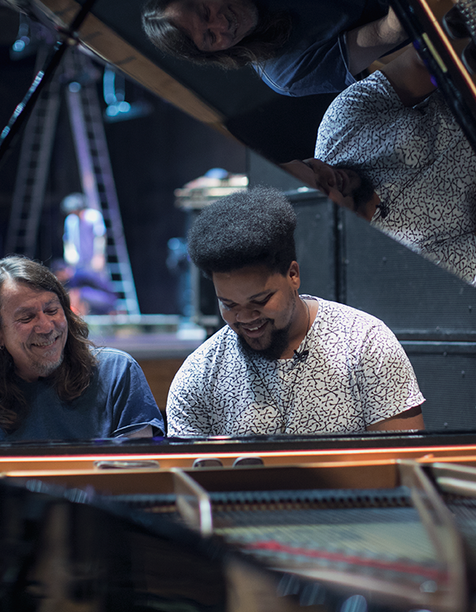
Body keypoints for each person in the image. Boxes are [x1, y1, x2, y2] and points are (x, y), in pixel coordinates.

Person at [166, 186, 425, 436]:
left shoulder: (366, 345)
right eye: (229, 304)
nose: (244, 317)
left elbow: (404, 459)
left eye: (260, 301)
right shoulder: (199, 376)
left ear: (293, 275)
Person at [282, 45, 476, 292]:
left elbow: (420, 63)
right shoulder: (402, 263)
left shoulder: (338, 126)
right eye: (324, 188)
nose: (328, 172)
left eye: (310, 166)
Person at [0, 256, 164, 442]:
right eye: (27, 317)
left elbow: (139, 471)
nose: (47, 327)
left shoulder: (117, 373)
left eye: (52, 310)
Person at [141, 0, 408, 97]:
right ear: (214, 54)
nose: (222, 24)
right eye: (210, 37)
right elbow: (389, 31)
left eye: (205, 12)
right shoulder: (286, 74)